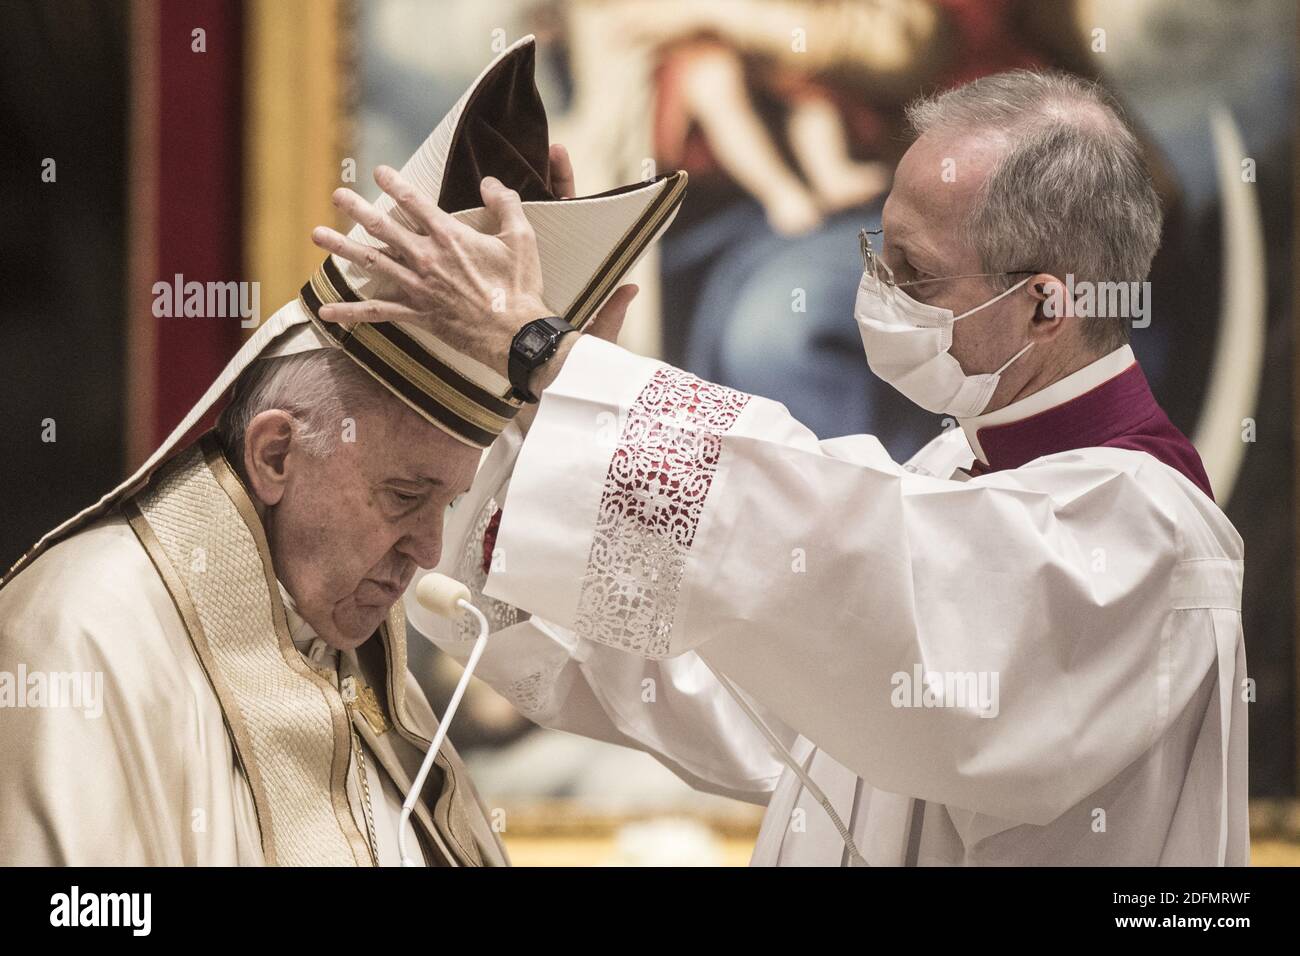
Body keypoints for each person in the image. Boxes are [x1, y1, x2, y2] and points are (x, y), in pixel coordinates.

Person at [314, 68, 1248, 865]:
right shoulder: (947, 472)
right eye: (877, 251)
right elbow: (745, 678)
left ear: (1045, 304)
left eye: (914, 276)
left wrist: (549, 355)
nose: (873, 291)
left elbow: (847, 565)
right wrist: (529, 410)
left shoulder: (1145, 536)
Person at [0, 36, 677, 866]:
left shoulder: (358, 661)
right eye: (404, 496)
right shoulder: (84, 630)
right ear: (277, 455)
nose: (429, 552)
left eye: (450, 504)